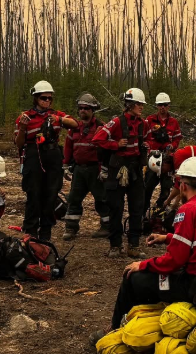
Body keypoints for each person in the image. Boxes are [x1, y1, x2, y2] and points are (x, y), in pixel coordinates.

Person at [108, 156, 196, 329]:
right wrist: (167, 238)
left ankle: (116, 329)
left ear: (183, 186)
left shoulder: (188, 209)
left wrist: (142, 265)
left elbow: (175, 260)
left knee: (133, 278)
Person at [13, 81, 77, 241]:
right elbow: (18, 144)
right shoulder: (25, 117)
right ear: (36, 98)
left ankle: (46, 232)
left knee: (51, 194)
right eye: (44, 98)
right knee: (33, 194)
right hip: (33, 156)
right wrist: (23, 128)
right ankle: (31, 230)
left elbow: (75, 124)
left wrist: (59, 120)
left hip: (53, 156)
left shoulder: (56, 115)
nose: (47, 101)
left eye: (50, 98)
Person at [92, 88, 151, 258]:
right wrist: (115, 145)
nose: (141, 107)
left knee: (137, 208)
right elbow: (97, 139)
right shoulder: (116, 122)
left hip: (135, 171)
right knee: (115, 208)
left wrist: (146, 146)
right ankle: (115, 245)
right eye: (138, 104)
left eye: (142, 104)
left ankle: (134, 245)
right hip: (117, 170)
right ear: (130, 105)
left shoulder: (143, 124)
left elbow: (148, 138)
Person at [62, 93, 111, 240]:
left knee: (102, 199)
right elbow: (68, 147)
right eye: (81, 108)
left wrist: (104, 169)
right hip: (79, 169)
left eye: (86, 108)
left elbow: (106, 149)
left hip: (95, 170)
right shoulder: (74, 128)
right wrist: (65, 165)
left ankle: (107, 227)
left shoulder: (101, 127)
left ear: (93, 110)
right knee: (73, 199)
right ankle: (71, 228)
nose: (83, 110)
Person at [143, 93, 183, 213]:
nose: (162, 107)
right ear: (157, 106)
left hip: (167, 159)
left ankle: (160, 210)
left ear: (168, 106)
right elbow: (144, 136)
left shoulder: (173, 122)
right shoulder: (149, 120)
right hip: (153, 158)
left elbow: (177, 138)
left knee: (166, 188)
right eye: (160, 105)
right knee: (148, 186)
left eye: (165, 105)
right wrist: (148, 146)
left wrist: (173, 146)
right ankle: (143, 211)